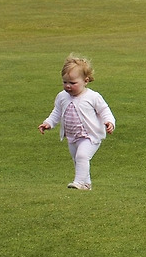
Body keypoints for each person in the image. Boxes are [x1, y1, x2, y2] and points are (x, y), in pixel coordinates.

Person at [37, 55, 115, 190]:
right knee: (78, 160)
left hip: (90, 136)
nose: (68, 86)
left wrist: (109, 122)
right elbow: (56, 112)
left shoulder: (93, 97)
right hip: (72, 137)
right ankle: (86, 184)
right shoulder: (62, 96)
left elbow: (104, 110)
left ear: (86, 81)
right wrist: (48, 123)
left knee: (82, 156)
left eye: (73, 83)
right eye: (65, 82)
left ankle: (78, 182)